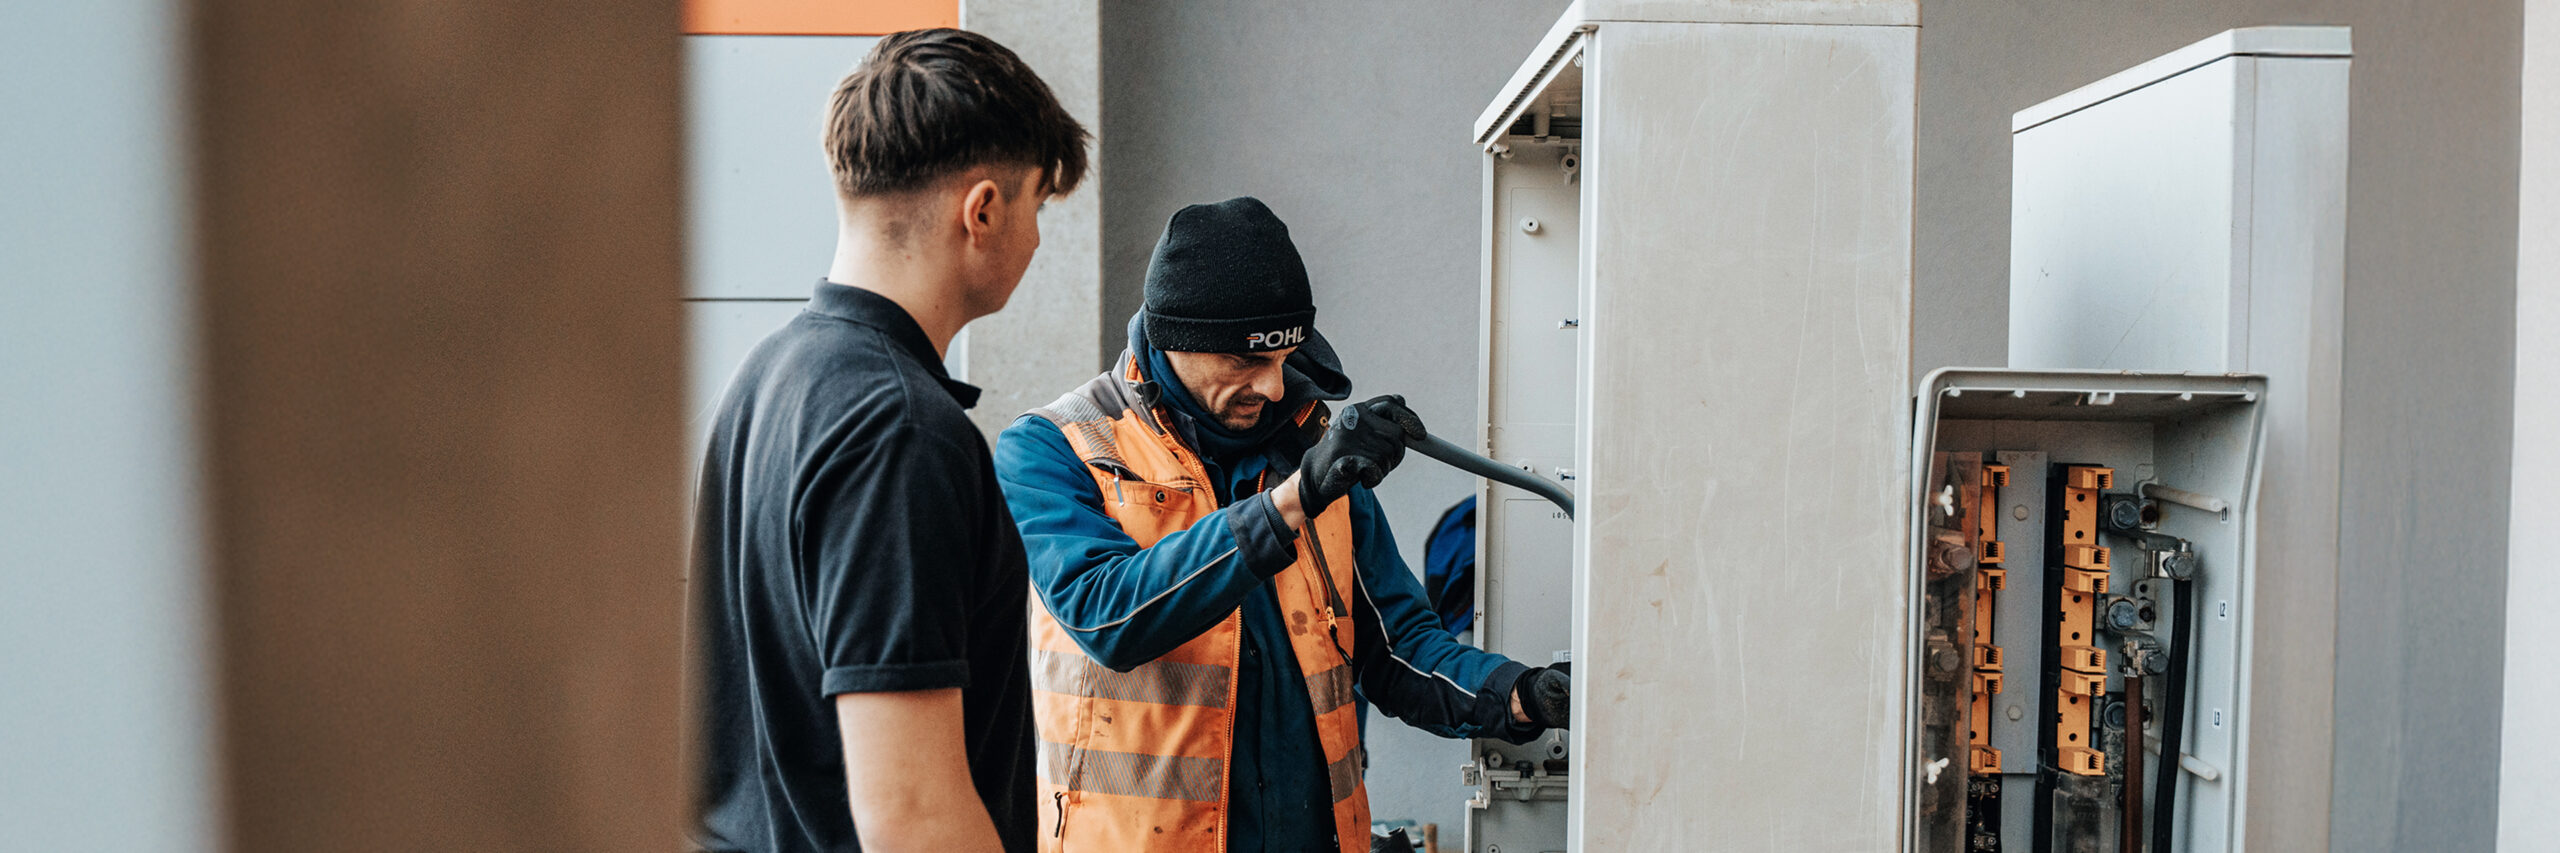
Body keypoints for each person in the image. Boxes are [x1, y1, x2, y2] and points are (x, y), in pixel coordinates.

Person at [993, 197, 1572, 853]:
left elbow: (1399, 644)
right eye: (1245, 364)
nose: (1272, 387)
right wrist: (1294, 500)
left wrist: (1521, 696)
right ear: (1173, 340)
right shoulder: (1052, 448)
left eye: (1285, 358)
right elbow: (1107, 615)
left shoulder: (1308, 452)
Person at [688, 29, 1089, 853]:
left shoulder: (765, 377)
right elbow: (912, 815)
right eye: (1038, 205)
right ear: (982, 210)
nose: (1039, 240)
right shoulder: (901, 431)